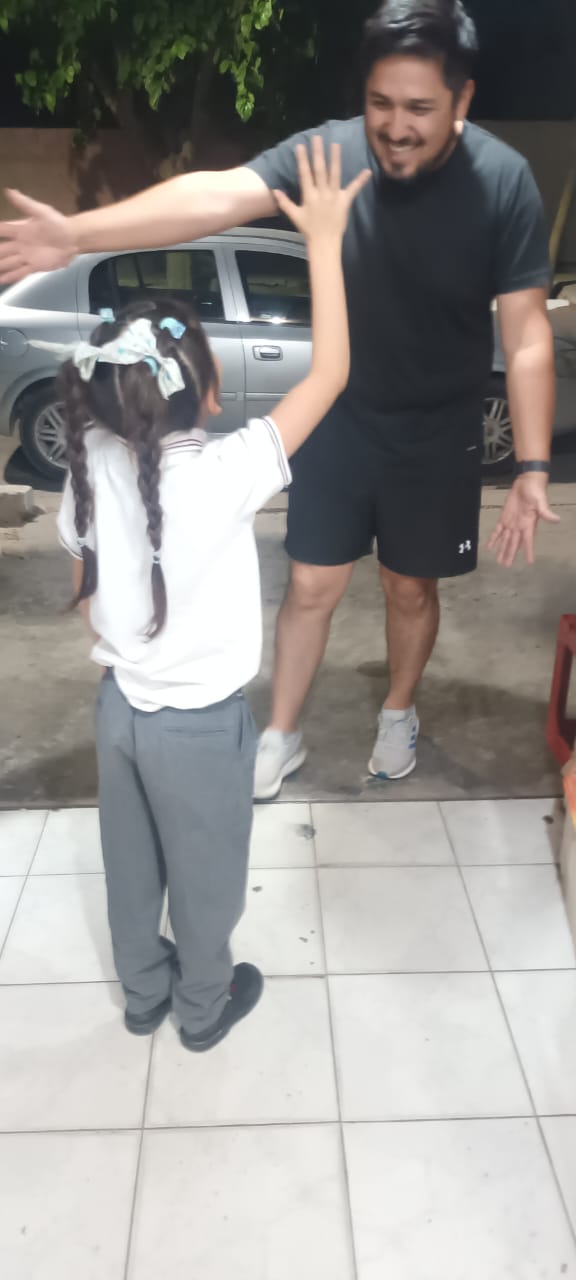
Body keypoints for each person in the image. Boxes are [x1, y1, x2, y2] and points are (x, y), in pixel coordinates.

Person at [0, 0, 558, 801]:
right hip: (338, 416)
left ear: (462, 99)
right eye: (380, 103)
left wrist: (532, 466)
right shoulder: (332, 155)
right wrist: (79, 235)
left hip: (438, 431)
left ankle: (398, 711)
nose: (395, 127)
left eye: (420, 108)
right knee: (311, 584)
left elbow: (528, 333)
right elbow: (218, 195)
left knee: (410, 588)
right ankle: (282, 733)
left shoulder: (503, 182)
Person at [50, 143, 370, 1050]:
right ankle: (201, 1007)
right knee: (207, 873)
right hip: (199, 725)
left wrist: (130, 642)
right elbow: (330, 374)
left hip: (119, 710)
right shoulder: (229, 470)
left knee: (130, 863)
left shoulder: (89, 459)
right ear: (210, 390)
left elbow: (84, 587)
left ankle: (142, 993)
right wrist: (323, 243)